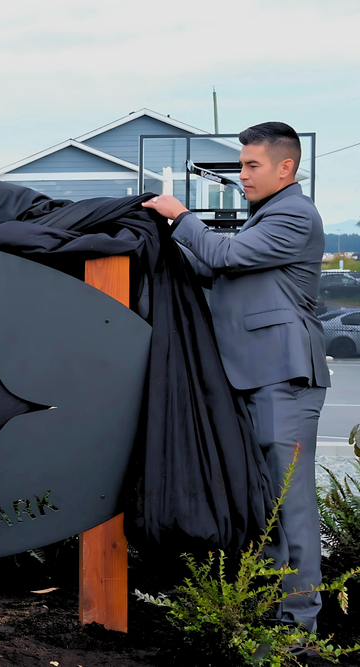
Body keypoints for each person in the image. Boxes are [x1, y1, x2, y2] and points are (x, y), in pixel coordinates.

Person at [142, 122, 329, 632]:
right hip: (252, 377)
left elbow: (224, 256)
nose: (242, 175)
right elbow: (213, 270)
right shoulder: (265, 217)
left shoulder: (294, 213)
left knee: (289, 507)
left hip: (283, 378)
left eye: (251, 165)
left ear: (285, 167)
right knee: (262, 504)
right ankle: (269, 615)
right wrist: (160, 235)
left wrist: (181, 216)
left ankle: (298, 627)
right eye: (241, 164)